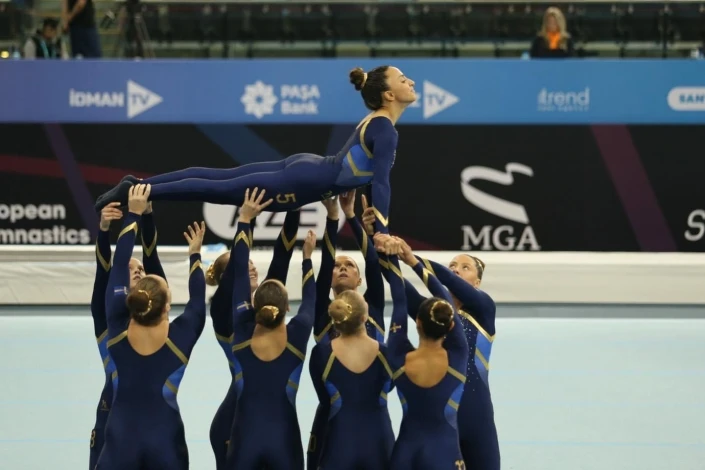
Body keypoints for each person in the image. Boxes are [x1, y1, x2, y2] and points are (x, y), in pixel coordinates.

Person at [94, 65, 417, 235]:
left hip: (307, 168)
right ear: (388, 95)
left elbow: (373, 180)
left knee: (214, 178)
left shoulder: (375, 121)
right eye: (403, 79)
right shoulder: (385, 129)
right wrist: (382, 232)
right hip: (302, 183)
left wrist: (374, 219)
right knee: (212, 188)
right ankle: (135, 191)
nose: (411, 82)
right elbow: (381, 182)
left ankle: (136, 186)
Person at [364, 213, 500, 469]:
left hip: (478, 417)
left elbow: (446, 280)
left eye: (465, 267)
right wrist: (378, 240)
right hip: (443, 423)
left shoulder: (483, 309)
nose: (455, 269)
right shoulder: (433, 314)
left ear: (477, 283)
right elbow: (398, 284)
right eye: (452, 265)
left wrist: (410, 256)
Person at [95, 184, 207, 470]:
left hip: (121, 439)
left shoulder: (116, 328)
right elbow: (197, 301)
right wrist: (195, 255)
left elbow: (119, 264)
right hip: (165, 442)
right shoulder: (181, 336)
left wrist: (134, 216)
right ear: (167, 307)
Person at [225, 188, 317, 470]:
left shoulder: (241, 330)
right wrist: (307, 259)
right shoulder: (299, 334)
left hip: (243, 442)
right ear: (288, 307)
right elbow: (312, 299)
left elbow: (239, 271)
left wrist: (244, 219)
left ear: (253, 306)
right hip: (285, 443)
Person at [206, 210, 301, 470]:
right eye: (240, 262)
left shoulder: (269, 301)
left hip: (262, 423)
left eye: (249, 262)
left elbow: (282, 254)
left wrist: (295, 205)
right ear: (227, 279)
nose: (249, 265)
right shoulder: (222, 311)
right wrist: (246, 220)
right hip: (232, 423)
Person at [307, 191, 388, 468]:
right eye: (337, 267)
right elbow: (326, 263)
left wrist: (350, 215)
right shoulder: (322, 314)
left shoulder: (373, 308)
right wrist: (332, 219)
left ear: (360, 278)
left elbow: (374, 261)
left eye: (349, 265)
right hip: (331, 425)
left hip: (375, 426)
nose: (341, 268)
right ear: (328, 280)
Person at [379, 236, 469, 470]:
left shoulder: (398, 358)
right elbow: (444, 297)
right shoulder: (458, 354)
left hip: (406, 453)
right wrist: (413, 262)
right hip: (445, 453)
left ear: (417, 322)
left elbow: (400, 301)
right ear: (450, 326)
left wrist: (385, 255)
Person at [89, 201, 166, 469]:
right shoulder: (107, 322)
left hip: (155, 421)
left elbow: (152, 257)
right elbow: (104, 272)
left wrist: (147, 217)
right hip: (112, 415)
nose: (138, 271)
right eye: (131, 270)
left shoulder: (159, 320)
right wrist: (104, 230)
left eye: (141, 270)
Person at [309, 290, 395, 470]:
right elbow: (390, 387)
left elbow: (324, 399)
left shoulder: (321, 354)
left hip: (339, 442)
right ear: (365, 317)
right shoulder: (387, 354)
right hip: (379, 441)